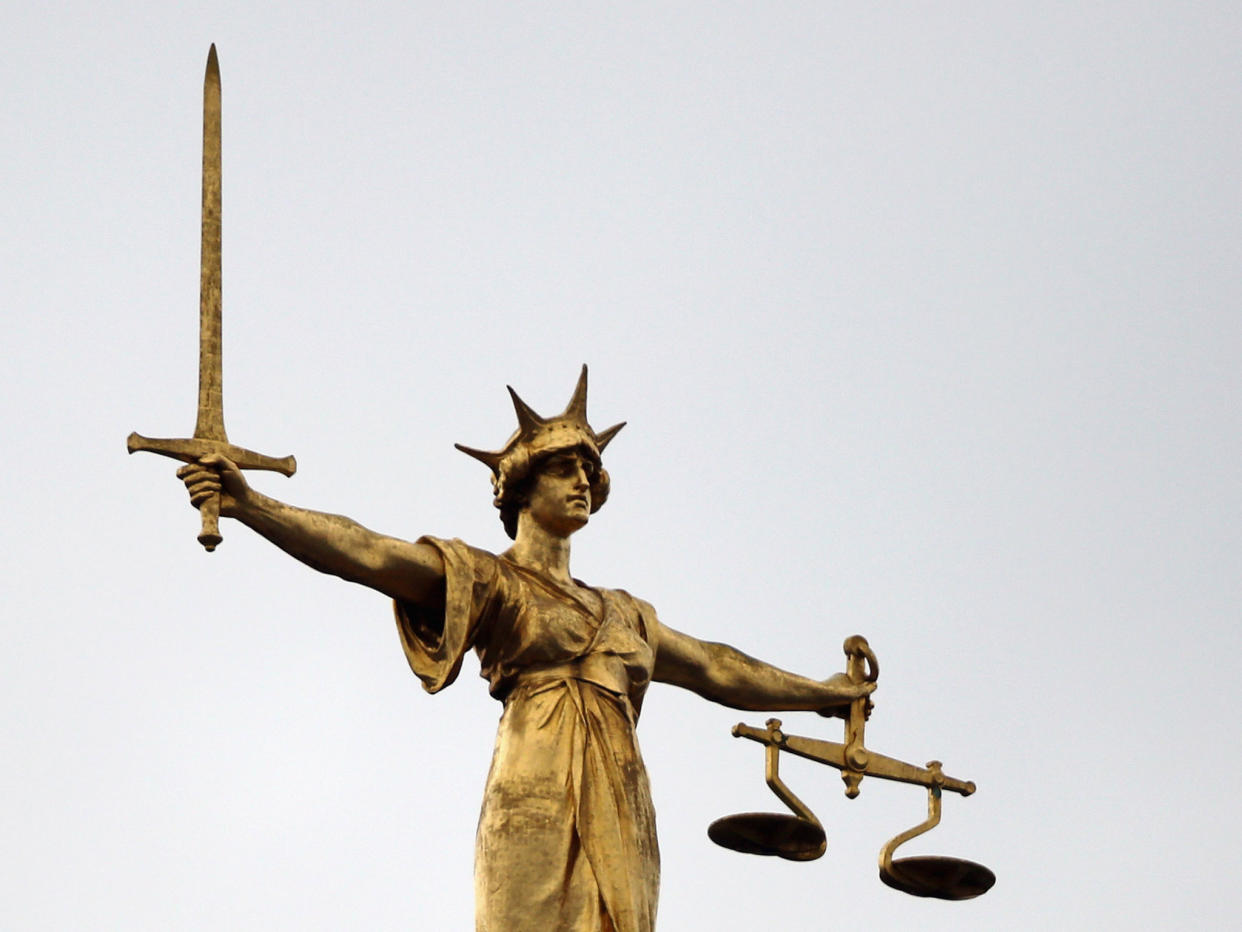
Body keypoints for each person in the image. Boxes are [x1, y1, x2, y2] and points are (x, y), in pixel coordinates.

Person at [177, 366, 874, 932]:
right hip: (534, 780)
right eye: (566, 468)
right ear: (520, 485)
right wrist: (253, 504)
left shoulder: (626, 614)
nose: (583, 483)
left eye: (590, 472)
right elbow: (364, 552)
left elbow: (717, 666)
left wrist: (825, 694)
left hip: (618, 789)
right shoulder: (490, 579)